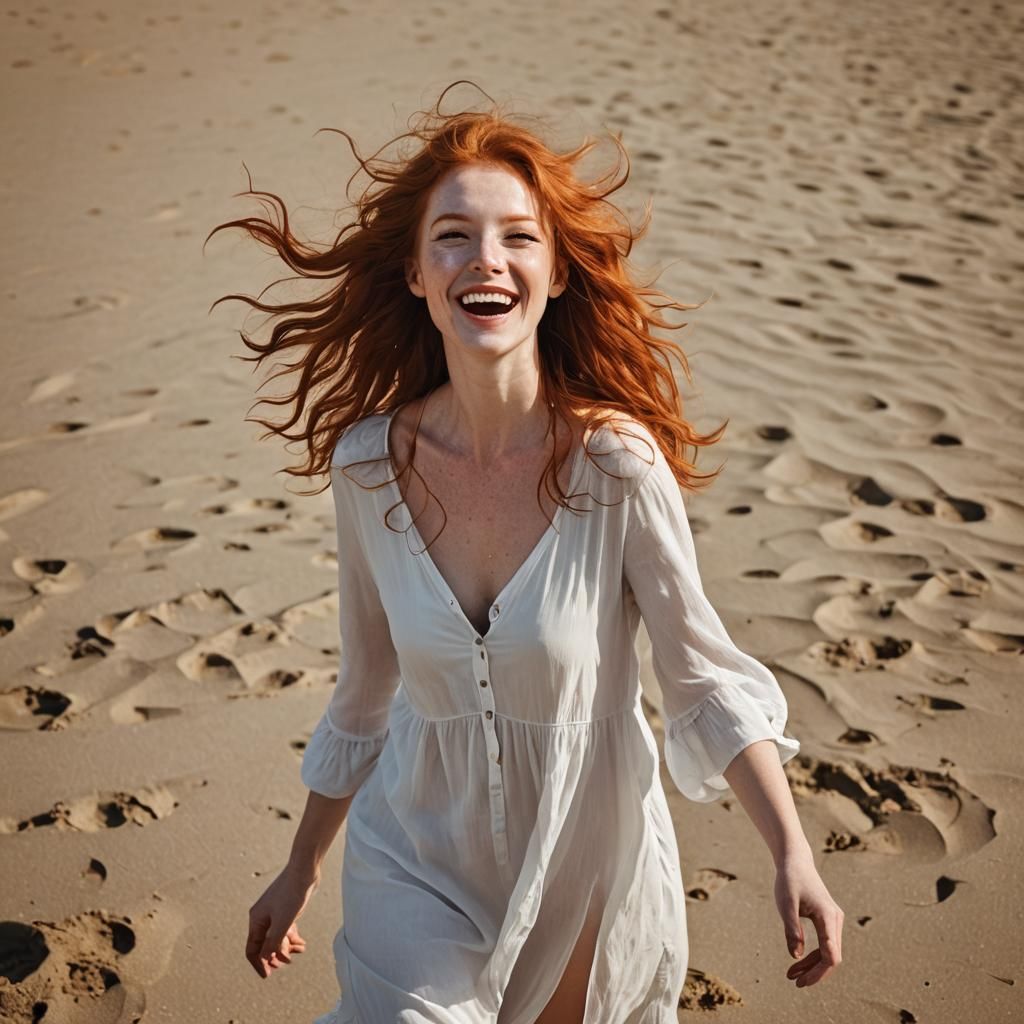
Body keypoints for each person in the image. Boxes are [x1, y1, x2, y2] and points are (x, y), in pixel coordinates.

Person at [213, 82, 843, 1023]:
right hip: (415, 852)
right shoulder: (367, 471)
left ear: (553, 275)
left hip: (583, 856)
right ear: (419, 276)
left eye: (518, 235)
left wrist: (794, 850)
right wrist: (301, 864)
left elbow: (701, 678)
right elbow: (365, 689)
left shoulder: (615, 467)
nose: (487, 259)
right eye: (454, 236)